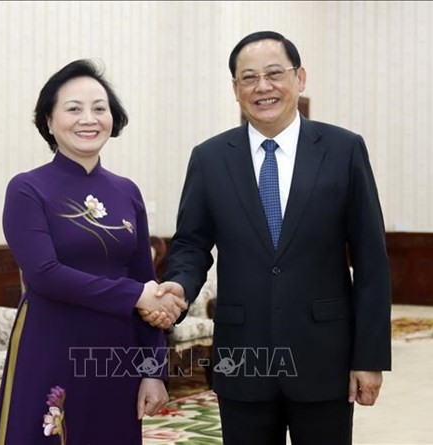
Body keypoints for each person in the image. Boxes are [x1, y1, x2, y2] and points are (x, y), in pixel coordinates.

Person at [145, 31, 392, 444]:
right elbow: (191, 243)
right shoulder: (209, 158)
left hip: (324, 353)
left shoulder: (344, 149)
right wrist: (180, 286)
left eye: (274, 74)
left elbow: (371, 260)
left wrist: (369, 357)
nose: (263, 87)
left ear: (300, 78)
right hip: (243, 356)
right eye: (249, 78)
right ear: (235, 89)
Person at [0, 59, 188, 445]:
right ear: (49, 120)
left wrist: (152, 369)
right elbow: (44, 274)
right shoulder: (27, 189)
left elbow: (143, 278)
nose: (89, 119)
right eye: (73, 108)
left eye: (100, 108)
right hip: (51, 346)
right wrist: (137, 295)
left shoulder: (127, 191)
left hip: (116, 355)